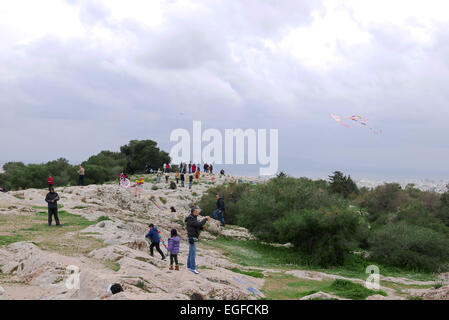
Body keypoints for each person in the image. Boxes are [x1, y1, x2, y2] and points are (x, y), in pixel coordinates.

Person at [185, 207, 209, 274]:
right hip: (192, 238)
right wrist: (205, 219)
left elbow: (196, 226)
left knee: (191, 253)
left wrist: (201, 227)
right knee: (193, 254)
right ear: (194, 212)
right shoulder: (191, 218)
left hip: (192, 237)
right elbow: (198, 224)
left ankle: (189, 266)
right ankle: (193, 268)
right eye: (197, 211)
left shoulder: (193, 218)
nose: (198, 213)